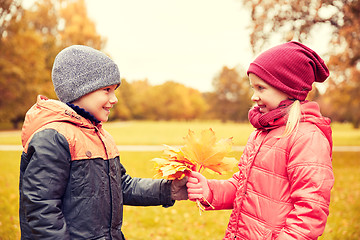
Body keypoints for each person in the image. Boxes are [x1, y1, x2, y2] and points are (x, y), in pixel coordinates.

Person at [19, 45, 187, 239]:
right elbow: (42, 211)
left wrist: (168, 190)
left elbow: (122, 186)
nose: (114, 99)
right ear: (79, 89)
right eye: (107, 90)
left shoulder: (99, 135)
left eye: (114, 90)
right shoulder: (54, 137)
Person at [186, 41, 334, 239]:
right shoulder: (261, 132)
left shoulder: (307, 138)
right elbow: (242, 186)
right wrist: (210, 190)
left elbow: (310, 211)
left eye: (261, 88)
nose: (254, 97)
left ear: (287, 89)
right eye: (253, 88)